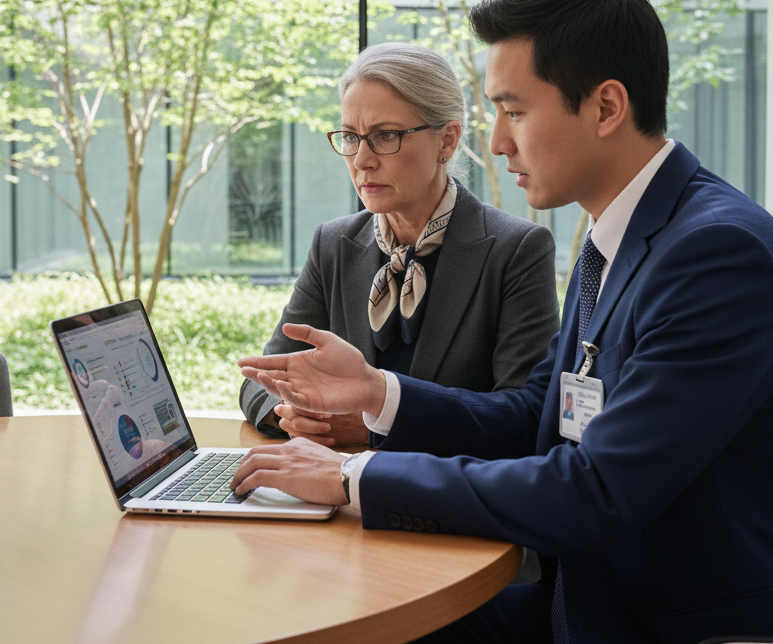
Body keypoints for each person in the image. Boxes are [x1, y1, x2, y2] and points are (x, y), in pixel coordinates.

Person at [232, 0, 773, 644]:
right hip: (601, 609)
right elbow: (535, 415)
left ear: (605, 107)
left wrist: (355, 476)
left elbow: (597, 491)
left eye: (513, 111)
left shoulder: (720, 256)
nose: (497, 143)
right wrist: (376, 393)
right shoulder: (617, 240)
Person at [238, 42, 560, 453]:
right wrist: (298, 414)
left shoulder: (516, 250)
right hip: (333, 492)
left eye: (385, 135)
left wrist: (378, 424)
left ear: (447, 140)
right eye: (351, 137)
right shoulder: (334, 245)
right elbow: (261, 379)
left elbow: (523, 418)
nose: (362, 160)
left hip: (442, 507)